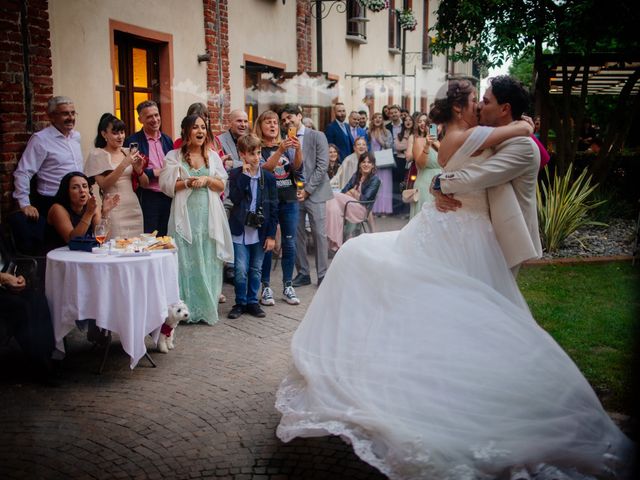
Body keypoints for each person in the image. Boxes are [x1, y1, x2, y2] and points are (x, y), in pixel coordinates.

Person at [274, 78, 633, 479]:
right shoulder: (496, 133)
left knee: (479, 320)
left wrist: (444, 182)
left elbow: (475, 178)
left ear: (505, 109)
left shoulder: (518, 145)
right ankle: (424, 389)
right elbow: (459, 161)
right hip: (455, 230)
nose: (481, 104)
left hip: (487, 239)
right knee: (443, 311)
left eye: (488, 100)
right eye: (477, 99)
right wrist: (450, 177)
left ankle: (483, 396)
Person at [159, 115, 233, 325]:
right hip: (184, 215)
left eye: (203, 127)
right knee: (185, 260)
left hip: (208, 215)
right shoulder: (174, 156)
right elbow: (167, 186)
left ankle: (206, 306)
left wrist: (209, 179)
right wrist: (189, 183)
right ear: (186, 131)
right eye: (195, 128)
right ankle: (184, 309)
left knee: (208, 257)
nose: (200, 131)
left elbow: (221, 186)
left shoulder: (213, 156)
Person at [253, 110, 303, 307]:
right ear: (260, 126)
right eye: (268, 123)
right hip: (268, 202)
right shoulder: (257, 147)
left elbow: (297, 168)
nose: (273, 126)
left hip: (289, 199)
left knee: (290, 244)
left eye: (275, 123)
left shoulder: (287, 145)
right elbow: (264, 169)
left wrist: (297, 150)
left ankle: (288, 286)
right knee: (268, 244)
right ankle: (265, 287)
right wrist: (280, 151)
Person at [280, 104, 333, 287]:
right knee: (297, 234)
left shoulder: (317, 136)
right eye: (284, 120)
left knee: (319, 234)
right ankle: (303, 272)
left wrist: (308, 190)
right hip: (294, 193)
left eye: (290, 118)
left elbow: (322, 166)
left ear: (299, 116)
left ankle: (323, 274)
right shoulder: (285, 140)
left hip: (315, 192)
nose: (287, 122)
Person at [227, 134, 278, 319]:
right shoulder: (235, 174)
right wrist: (245, 177)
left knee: (256, 268)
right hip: (240, 229)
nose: (257, 158)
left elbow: (273, 208)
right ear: (242, 155)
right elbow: (235, 198)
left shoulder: (269, 178)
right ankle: (240, 302)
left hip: (260, 231)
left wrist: (271, 235)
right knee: (240, 269)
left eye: (258, 153)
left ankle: (252, 301)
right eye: (252, 154)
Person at [13, 96, 84, 221]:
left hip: (76, 201)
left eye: (73, 113)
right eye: (65, 114)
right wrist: (25, 204)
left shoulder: (76, 136)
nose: (71, 118)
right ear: (51, 116)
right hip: (52, 201)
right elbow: (23, 172)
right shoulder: (41, 139)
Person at [84, 113, 145, 238]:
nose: (120, 136)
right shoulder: (98, 154)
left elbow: (145, 183)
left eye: (122, 132)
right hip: (114, 207)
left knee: (136, 248)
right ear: (104, 134)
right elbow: (104, 184)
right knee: (117, 246)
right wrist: (124, 164)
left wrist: (139, 171)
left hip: (133, 206)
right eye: (115, 133)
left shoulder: (127, 151)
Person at [124, 100, 174, 236]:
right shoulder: (133, 142)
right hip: (148, 196)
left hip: (168, 195)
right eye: (149, 117)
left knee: (167, 237)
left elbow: (174, 165)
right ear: (140, 119)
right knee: (149, 237)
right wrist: (153, 172)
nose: (155, 119)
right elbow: (131, 169)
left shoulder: (167, 140)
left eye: (156, 115)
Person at [46, 172, 119, 249]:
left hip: (81, 254)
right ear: (66, 191)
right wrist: (89, 213)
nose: (82, 190)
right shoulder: (57, 209)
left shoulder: (91, 206)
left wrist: (105, 213)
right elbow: (72, 241)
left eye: (84, 186)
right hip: (57, 256)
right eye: (75, 187)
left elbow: (103, 240)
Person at [325, 152, 380, 252]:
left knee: (332, 197)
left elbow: (365, 200)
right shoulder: (356, 176)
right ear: (360, 164)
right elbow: (344, 191)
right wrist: (350, 193)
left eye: (369, 162)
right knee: (334, 208)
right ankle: (337, 243)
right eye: (363, 162)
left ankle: (335, 241)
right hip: (348, 206)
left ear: (373, 165)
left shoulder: (375, 180)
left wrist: (353, 192)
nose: (366, 164)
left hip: (362, 210)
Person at [409, 113, 441, 218]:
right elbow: (421, 165)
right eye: (420, 122)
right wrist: (427, 145)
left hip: (442, 184)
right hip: (425, 184)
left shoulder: (444, 142)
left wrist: (436, 143)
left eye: (427, 123)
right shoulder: (419, 141)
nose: (423, 124)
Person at [367, 112, 393, 216]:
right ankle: (373, 210)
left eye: (380, 118)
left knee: (385, 186)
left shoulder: (387, 132)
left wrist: (381, 141)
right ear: (372, 120)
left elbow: (391, 146)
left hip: (384, 161)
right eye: (375, 118)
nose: (378, 119)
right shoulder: (369, 132)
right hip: (373, 162)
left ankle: (384, 210)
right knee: (373, 185)